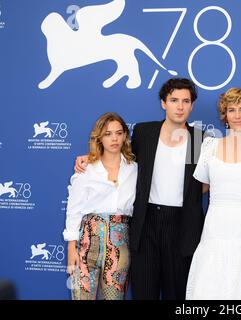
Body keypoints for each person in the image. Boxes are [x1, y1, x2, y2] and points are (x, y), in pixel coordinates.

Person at [75, 78, 204, 300]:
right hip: (145, 226)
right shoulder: (145, 133)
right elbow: (121, 157)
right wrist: (91, 158)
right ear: (163, 103)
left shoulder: (198, 140)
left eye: (186, 101)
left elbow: (201, 183)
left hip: (182, 227)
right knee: (144, 293)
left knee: (178, 295)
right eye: (174, 100)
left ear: (192, 105)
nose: (180, 106)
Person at [185, 88, 241, 300]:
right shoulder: (208, 145)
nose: (237, 115)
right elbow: (198, 187)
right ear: (224, 115)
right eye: (231, 109)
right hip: (215, 224)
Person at [64, 112, 137, 300]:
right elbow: (74, 210)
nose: (114, 138)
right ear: (99, 138)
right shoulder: (86, 168)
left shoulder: (134, 168)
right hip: (86, 244)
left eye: (118, 133)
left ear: (124, 136)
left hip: (119, 245)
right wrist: (71, 249)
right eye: (108, 133)